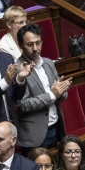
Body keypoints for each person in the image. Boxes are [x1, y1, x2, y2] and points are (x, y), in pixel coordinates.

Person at [16, 23, 70, 155]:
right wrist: (52, 95)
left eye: (38, 43)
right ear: (20, 45)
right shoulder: (18, 68)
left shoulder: (49, 63)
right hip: (34, 134)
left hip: (56, 127)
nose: (35, 48)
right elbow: (22, 104)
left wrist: (62, 91)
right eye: (30, 44)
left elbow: (61, 94)